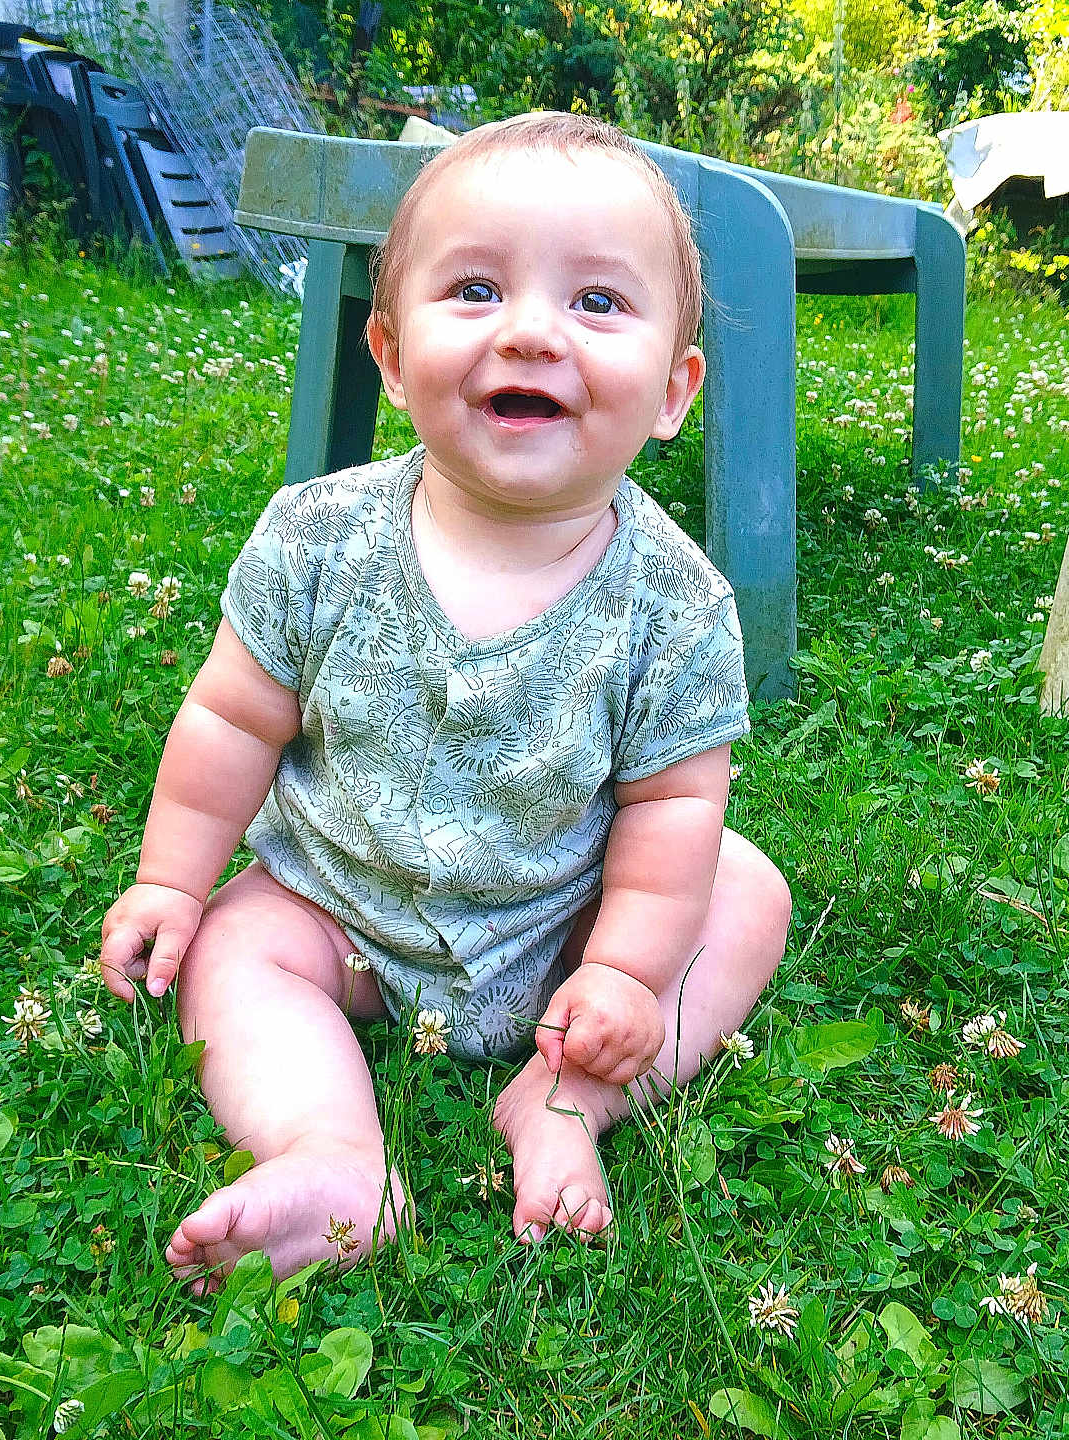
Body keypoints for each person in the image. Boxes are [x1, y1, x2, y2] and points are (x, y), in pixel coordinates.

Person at [99, 111, 791, 1293]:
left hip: (562, 928)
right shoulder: (317, 540)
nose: (530, 332)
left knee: (745, 893)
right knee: (235, 945)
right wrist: (171, 878)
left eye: (598, 302)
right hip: (335, 912)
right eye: (475, 289)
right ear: (388, 354)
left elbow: (674, 807)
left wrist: (625, 972)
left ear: (674, 392)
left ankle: (564, 1101)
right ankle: (332, 1153)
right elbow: (231, 720)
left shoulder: (677, 605)